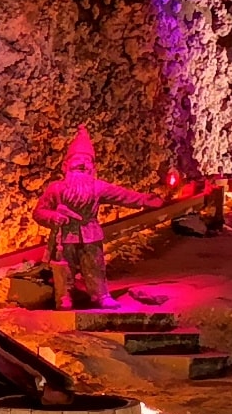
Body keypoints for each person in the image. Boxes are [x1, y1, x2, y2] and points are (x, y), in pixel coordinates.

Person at [32, 127, 163, 310]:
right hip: (64, 236)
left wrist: (144, 200)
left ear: (93, 168)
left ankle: (101, 295)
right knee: (65, 267)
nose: (82, 164)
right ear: (66, 165)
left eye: (87, 161)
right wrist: (53, 216)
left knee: (94, 265)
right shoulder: (56, 188)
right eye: (77, 160)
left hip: (90, 233)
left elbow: (122, 195)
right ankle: (64, 296)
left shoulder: (97, 187)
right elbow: (39, 212)